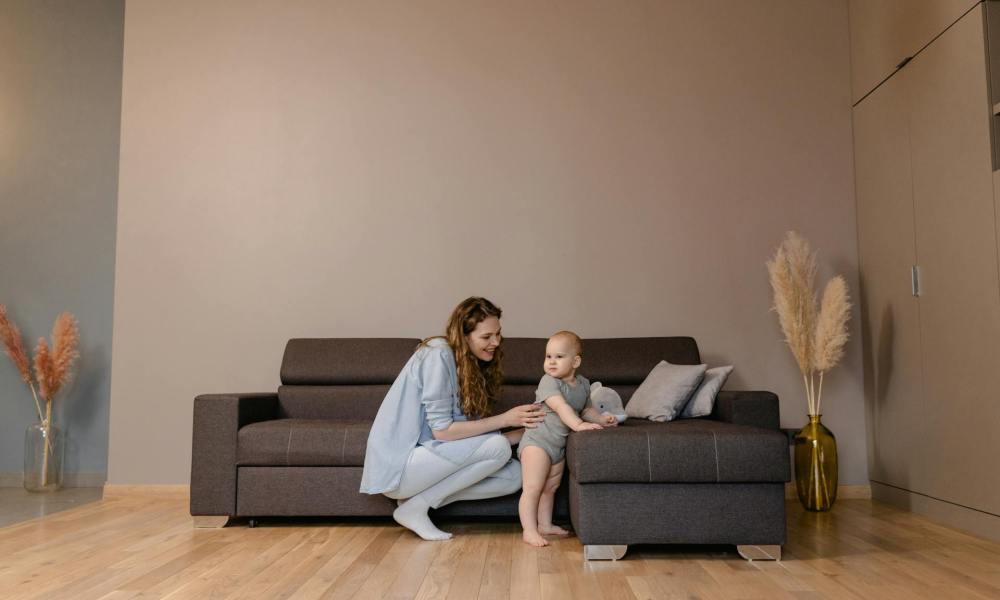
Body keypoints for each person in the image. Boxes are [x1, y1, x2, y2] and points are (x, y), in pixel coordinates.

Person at [360, 297, 546, 541]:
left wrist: (524, 432)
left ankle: (415, 502)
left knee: (514, 476)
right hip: (402, 464)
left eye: (498, 334)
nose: (496, 342)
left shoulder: (470, 364)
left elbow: (466, 438)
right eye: (487, 337)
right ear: (464, 335)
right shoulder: (437, 354)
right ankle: (416, 508)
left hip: (429, 462)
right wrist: (505, 419)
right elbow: (443, 432)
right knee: (498, 448)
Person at [518, 331, 618, 547]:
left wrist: (601, 419)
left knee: (550, 488)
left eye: (559, 357)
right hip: (538, 441)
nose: (551, 362)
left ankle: (545, 525)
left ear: (576, 361)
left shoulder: (583, 384)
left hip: (559, 446)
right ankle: (529, 530)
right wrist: (579, 426)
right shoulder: (549, 381)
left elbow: (586, 409)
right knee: (533, 487)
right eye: (548, 356)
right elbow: (561, 407)